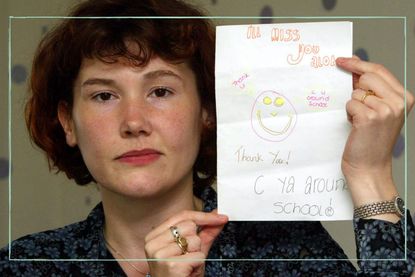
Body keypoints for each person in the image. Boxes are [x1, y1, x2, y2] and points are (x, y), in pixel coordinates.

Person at [1, 0, 414, 276]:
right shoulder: (24, 265)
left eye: (160, 91)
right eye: (104, 95)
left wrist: (370, 174)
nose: (134, 122)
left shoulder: (286, 245)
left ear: (207, 112)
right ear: (68, 122)